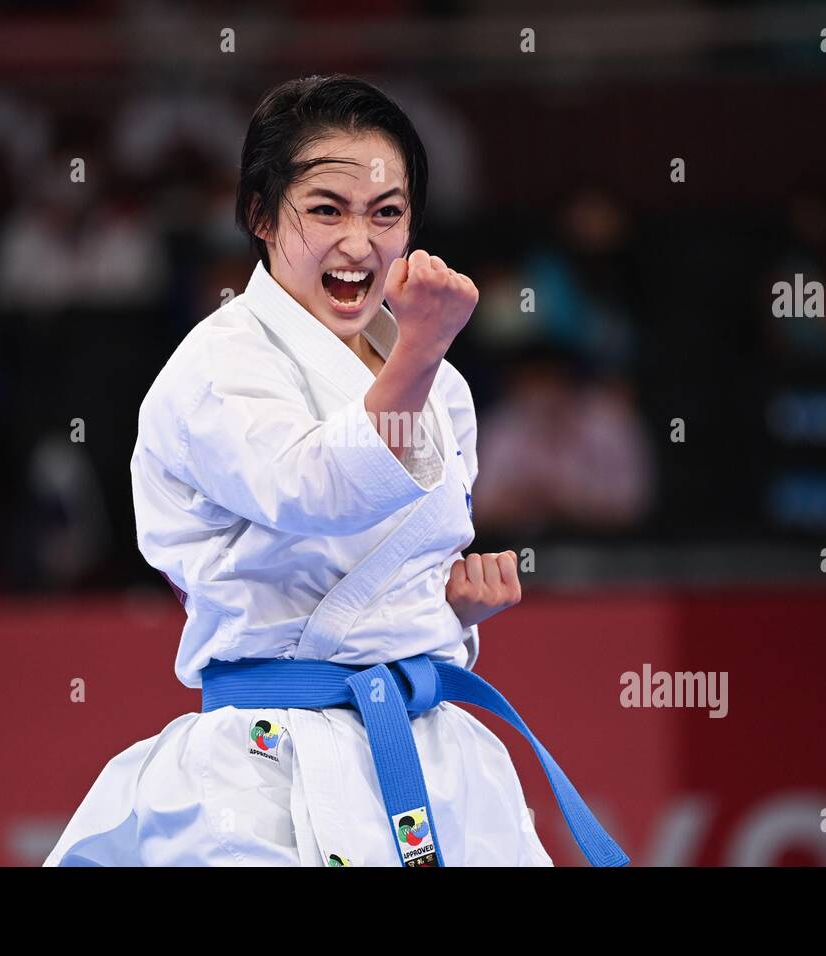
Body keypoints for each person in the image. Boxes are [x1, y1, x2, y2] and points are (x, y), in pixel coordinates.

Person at [44, 74, 626, 867]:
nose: (360, 243)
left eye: (386, 214)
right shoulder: (219, 367)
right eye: (326, 209)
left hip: (436, 753)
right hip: (263, 766)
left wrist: (445, 609)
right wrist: (419, 350)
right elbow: (313, 488)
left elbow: (379, 577)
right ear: (259, 214)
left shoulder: (441, 387)